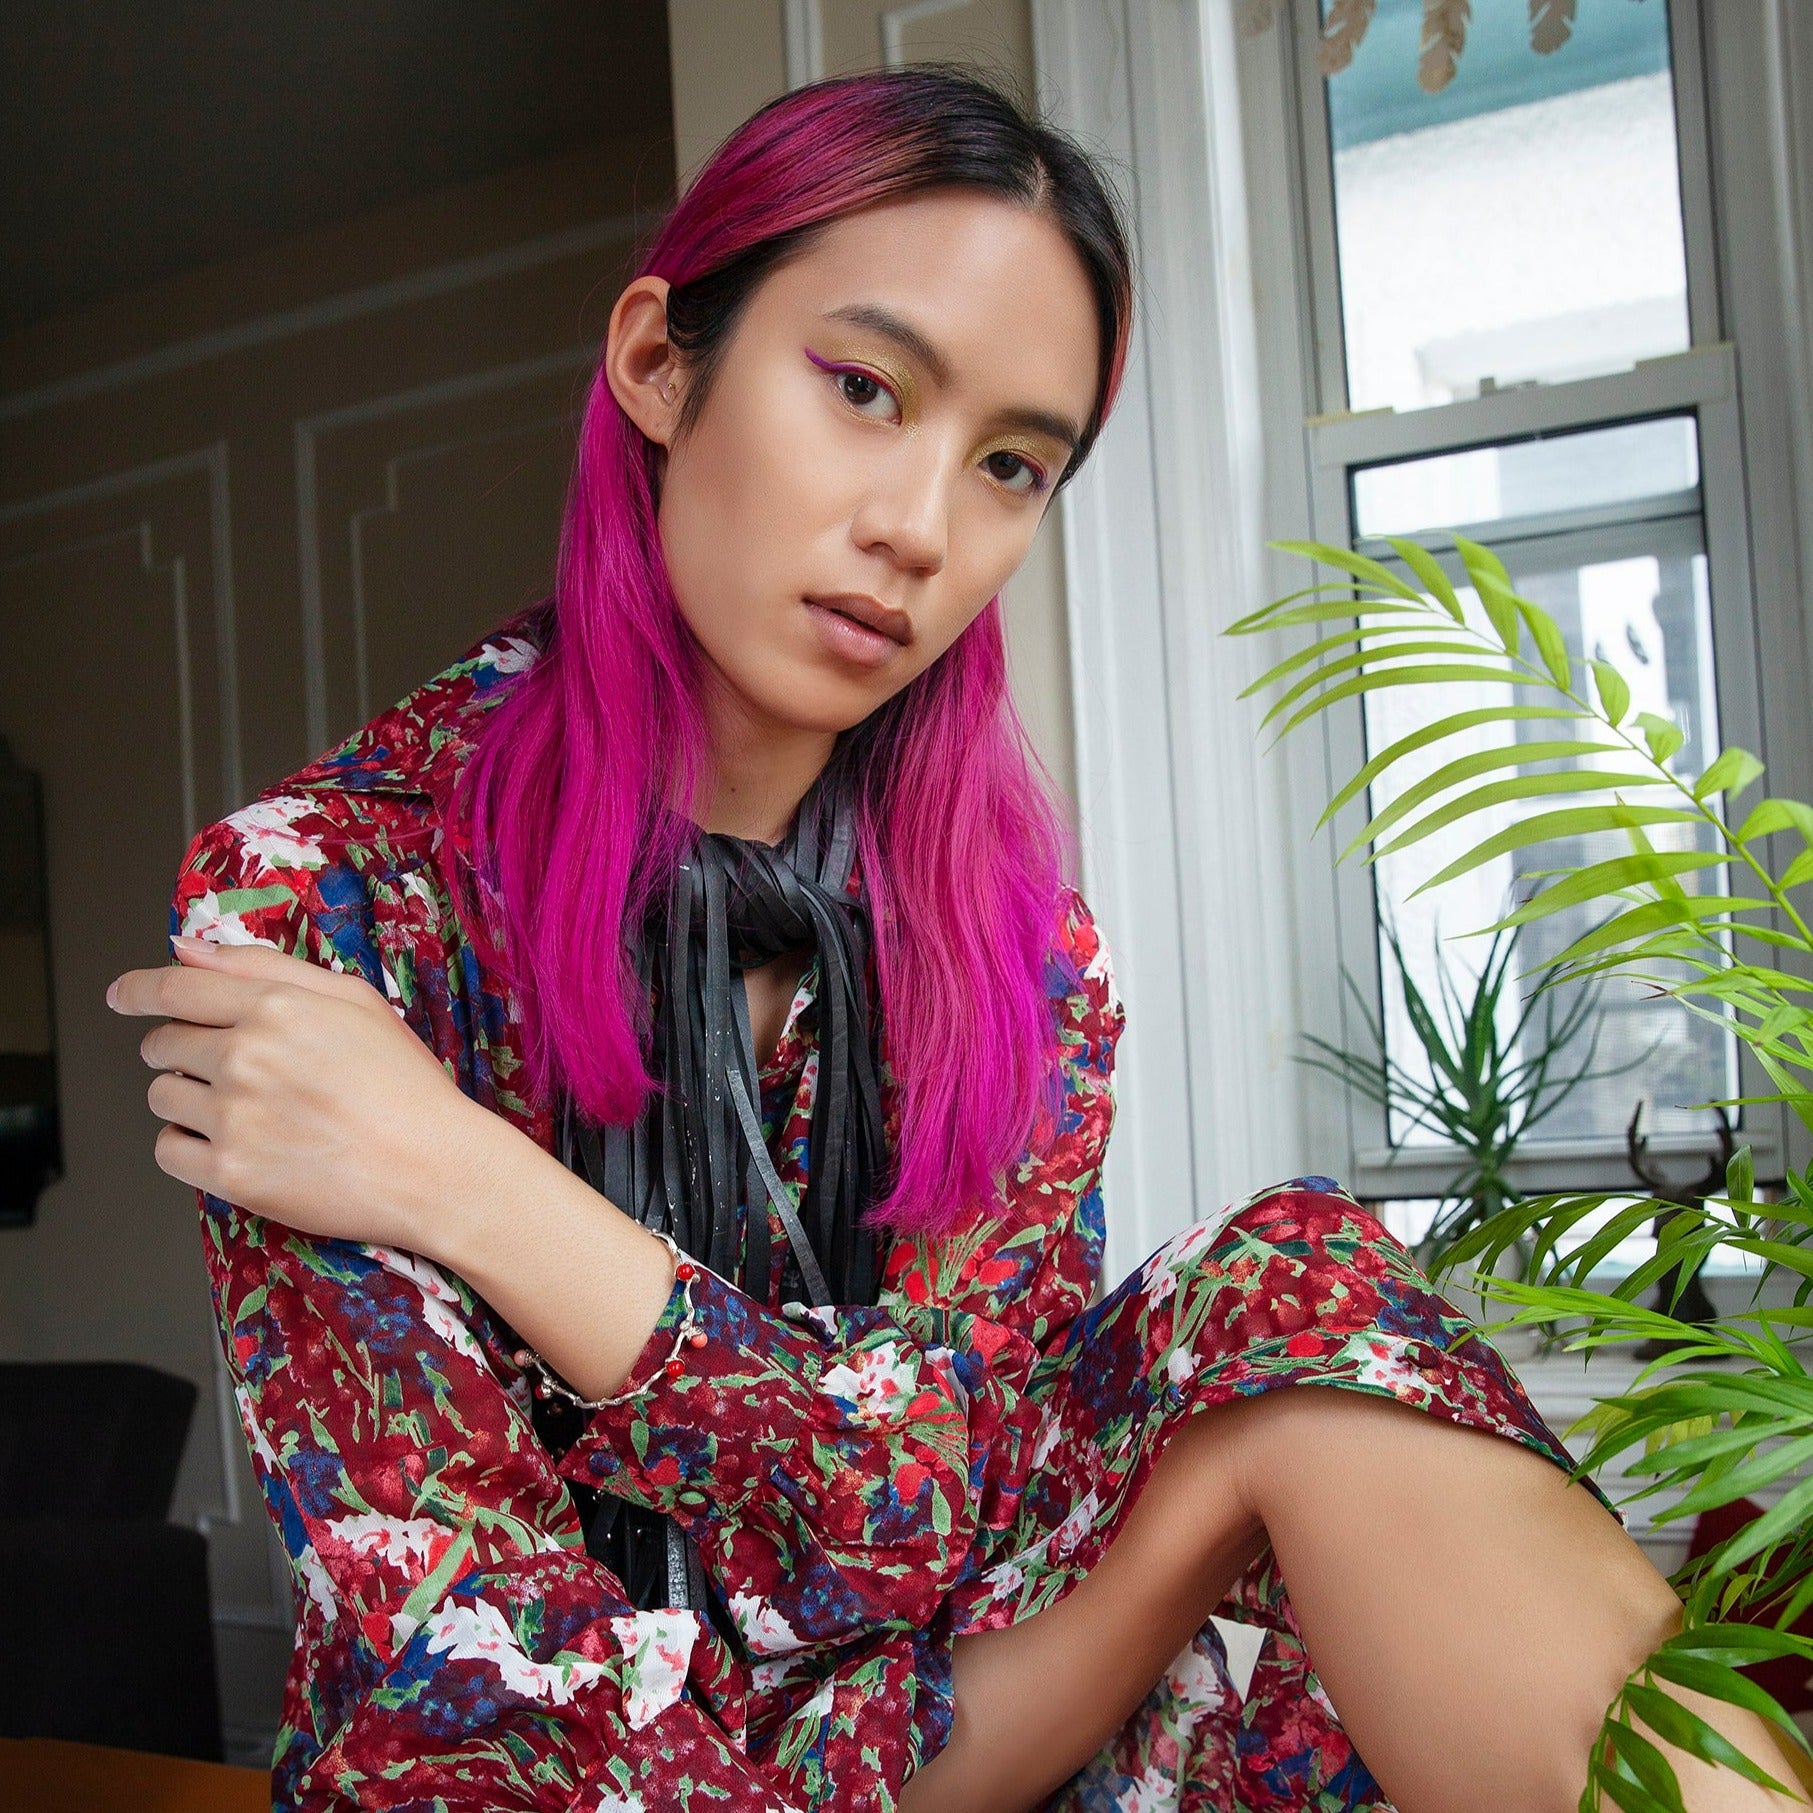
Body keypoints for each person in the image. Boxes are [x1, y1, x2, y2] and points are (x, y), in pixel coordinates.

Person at [106, 64, 1806, 1813]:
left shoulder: (1016, 943)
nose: (920, 527)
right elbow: (455, 1654)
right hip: (547, 1767)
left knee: (1300, 1297)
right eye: (860, 387)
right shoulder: (324, 891)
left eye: (1009, 463)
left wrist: (474, 1185)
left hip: (937, 1732)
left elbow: (928, 1513)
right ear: (658, 365)